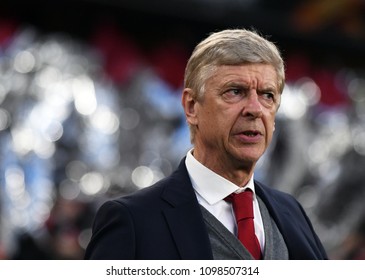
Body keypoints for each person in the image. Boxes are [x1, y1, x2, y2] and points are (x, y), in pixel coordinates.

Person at [84, 28, 328, 260]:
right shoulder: (132, 221)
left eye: (267, 95)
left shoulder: (292, 214)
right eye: (235, 91)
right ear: (191, 107)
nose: (255, 109)